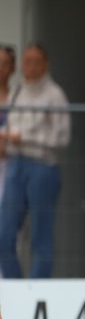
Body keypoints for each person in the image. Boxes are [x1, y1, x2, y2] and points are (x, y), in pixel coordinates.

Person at [0, 44, 70, 278]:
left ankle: (38, 285)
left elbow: (62, 137)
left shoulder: (54, 94)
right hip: (15, 164)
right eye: (26, 61)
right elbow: (10, 124)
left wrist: (26, 138)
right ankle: (15, 285)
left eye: (35, 61)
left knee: (41, 234)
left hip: (42, 166)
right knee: (4, 233)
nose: (29, 66)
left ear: (45, 64)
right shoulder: (18, 90)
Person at [0, 45, 16, 213]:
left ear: (12, 68)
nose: (1, 68)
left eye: (5, 63)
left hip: (8, 163)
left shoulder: (18, 97)